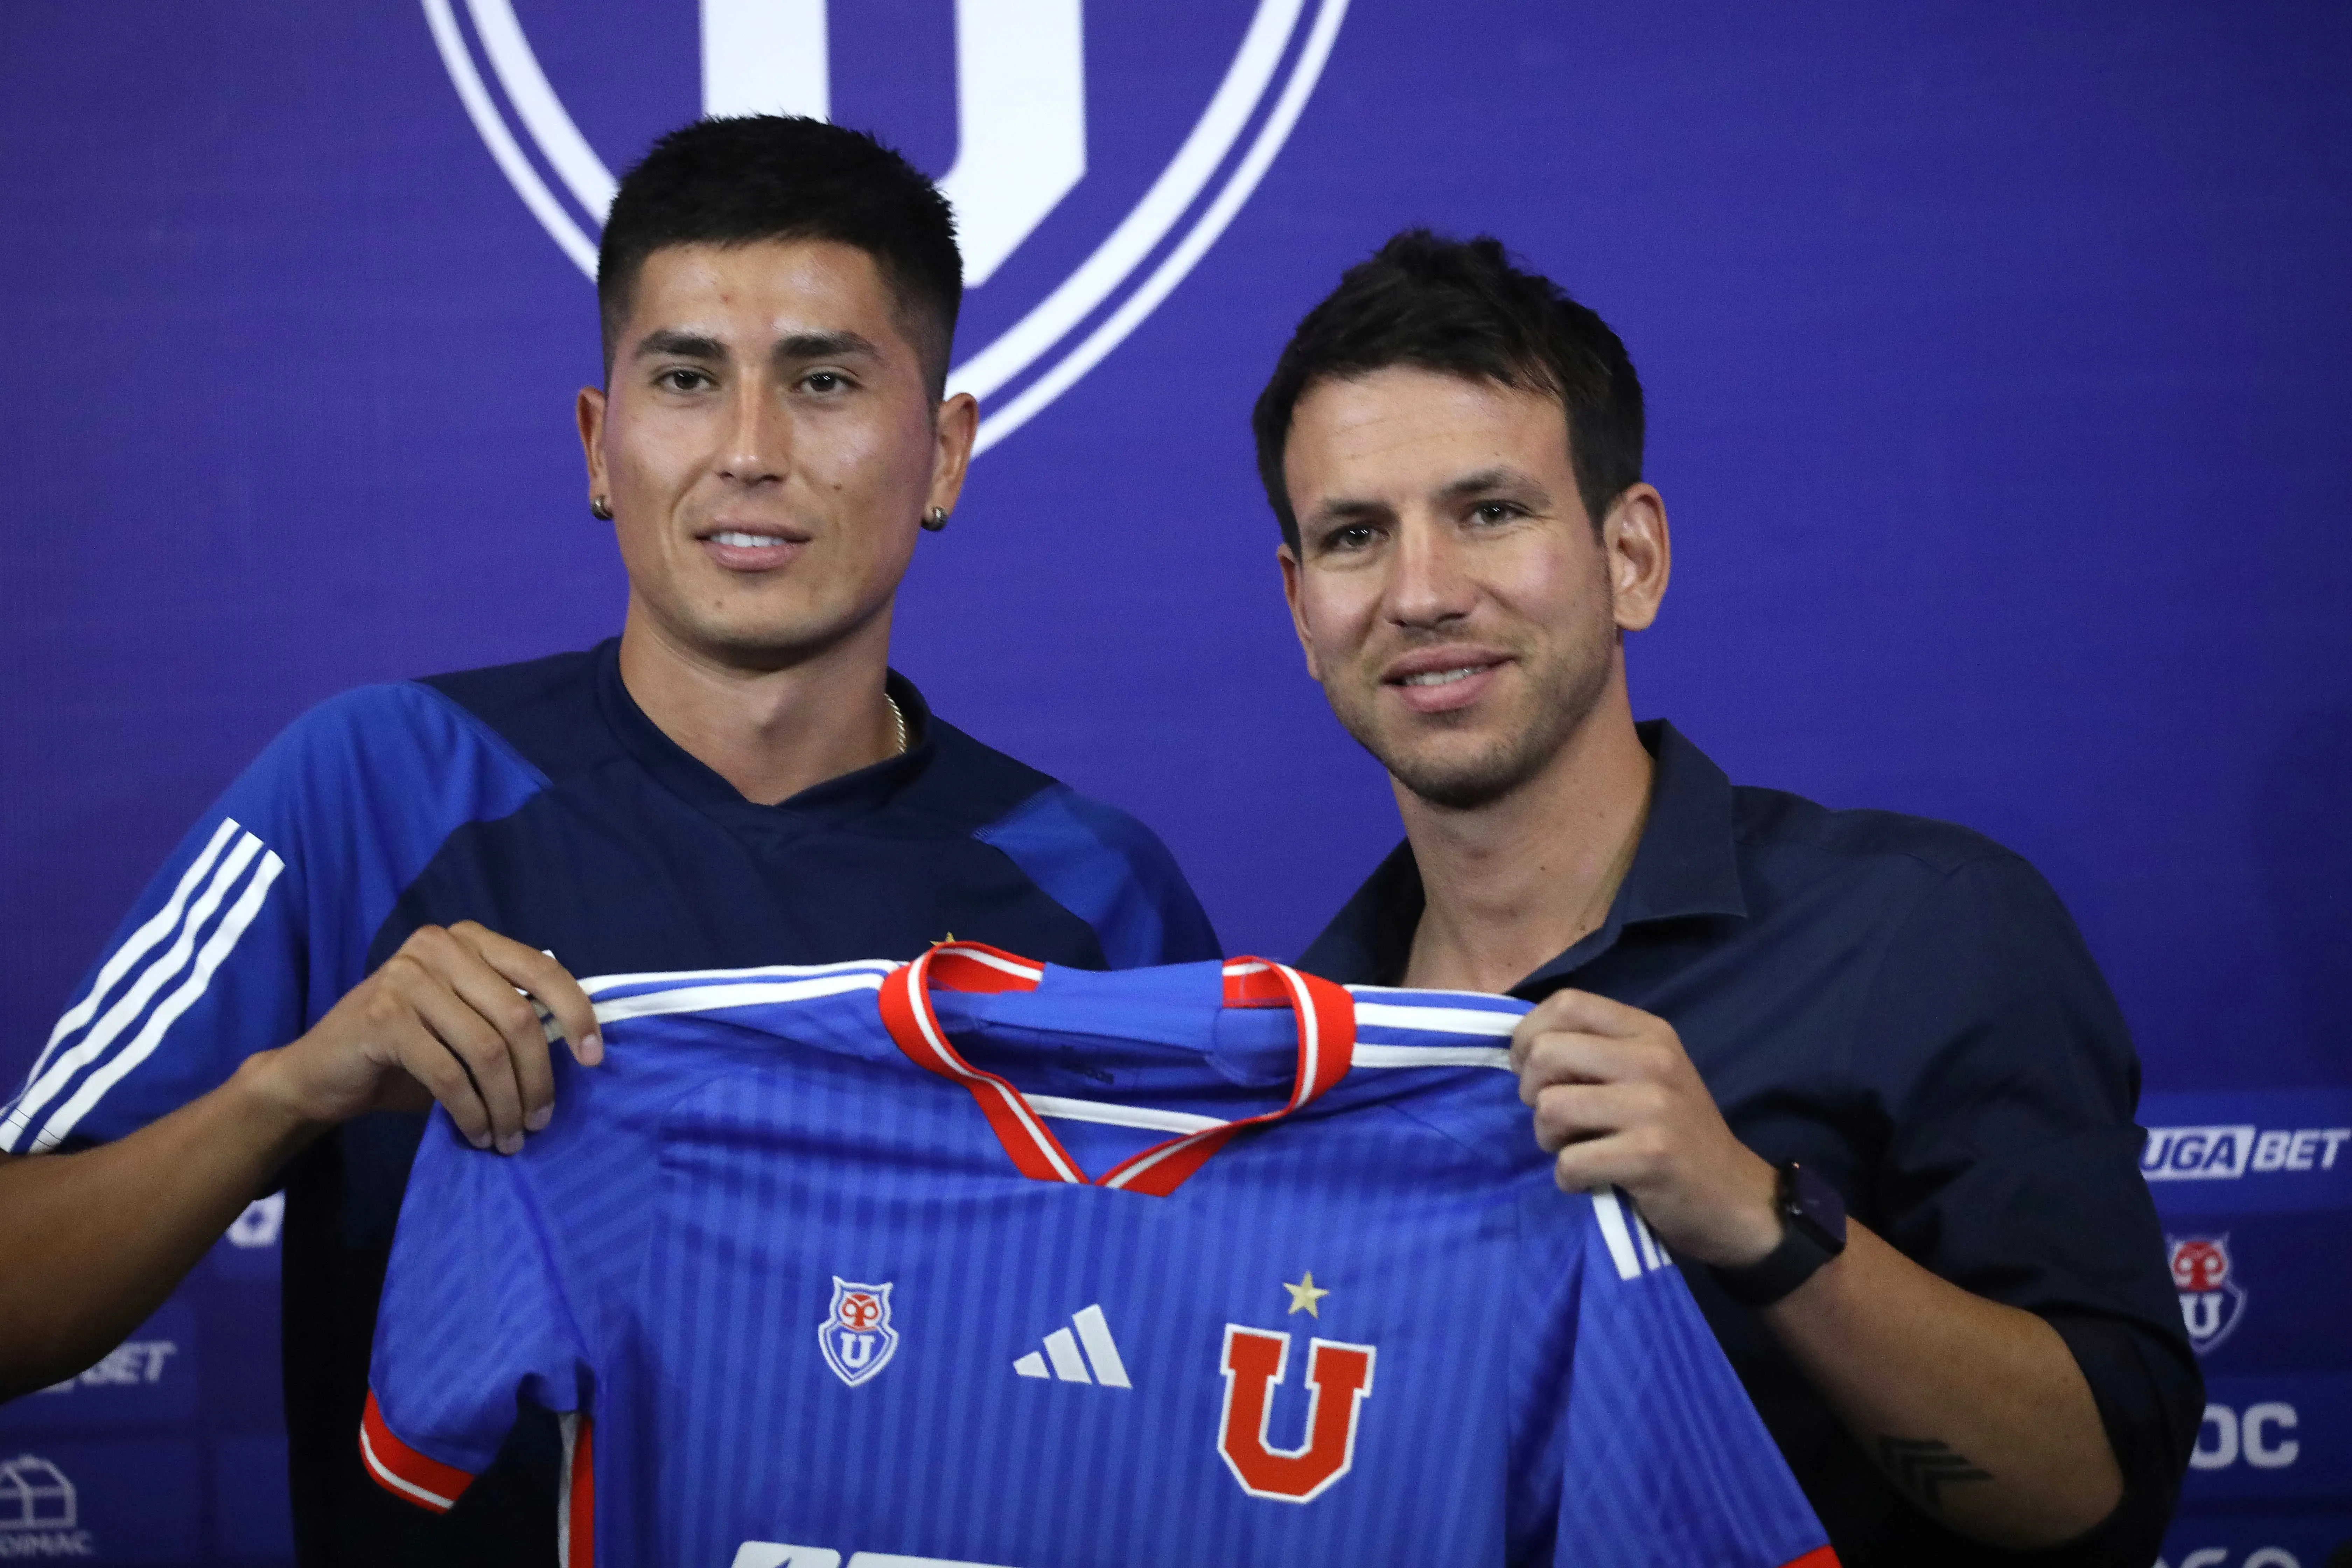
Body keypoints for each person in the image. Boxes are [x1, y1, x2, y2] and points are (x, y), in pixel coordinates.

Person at [0, 116, 1218, 1563]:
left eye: (824, 381)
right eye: (688, 380)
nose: (751, 452)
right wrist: (286, 1091)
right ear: (600, 442)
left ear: (943, 451)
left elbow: (1208, 1408)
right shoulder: (374, 786)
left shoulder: (1098, 897)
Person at [1253, 230, 2199, 1567]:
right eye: (1356, 536)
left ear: (1631, 555)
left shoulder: (1924, 928)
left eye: (1491, 511)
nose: (1420, 593)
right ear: (1302, 609)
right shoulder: (1302, 1043)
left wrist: (1756, 1216)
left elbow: (2099, 1495)